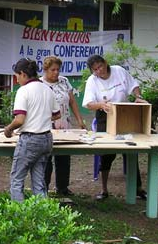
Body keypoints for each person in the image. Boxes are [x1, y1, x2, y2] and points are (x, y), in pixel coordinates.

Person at [82, 54, 147, 200]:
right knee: (106, 154)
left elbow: (134, 85)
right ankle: (104, 189)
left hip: (124, 115)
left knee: (131, 151)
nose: (99, 71)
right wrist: (101, 105)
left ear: (106, 63)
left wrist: (138, 96)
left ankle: (137, 188)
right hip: (105, 116)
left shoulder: (119, 71)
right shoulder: (92, 81)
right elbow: (88, 103)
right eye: (95, 69)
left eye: (100, 67)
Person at [4, 58, 60, 202]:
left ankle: (19, 216)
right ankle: (41, 215)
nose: (17, 80)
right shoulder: (48, 89)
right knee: (39, 181)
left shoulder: (23, 91)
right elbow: (57, 114)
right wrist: (41, 117)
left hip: (30, 139)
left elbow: (20, 120)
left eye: (17, 76)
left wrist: (8, 129)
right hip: (46, 139)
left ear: (23, 74)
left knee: (17, 179)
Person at [40, 56, 86, 196]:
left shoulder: (64, 81)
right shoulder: (39, 84)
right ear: (46, 70)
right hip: (47, 125)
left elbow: (72, 101)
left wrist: (80, 120)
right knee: (46, 158)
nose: (56, 73)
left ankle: (62, 187)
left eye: (58, 70)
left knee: (64, 157)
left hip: (65, 124)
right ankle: (44, 188)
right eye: (52, 70)